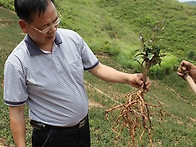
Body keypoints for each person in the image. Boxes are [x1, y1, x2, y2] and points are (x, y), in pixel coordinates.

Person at [3, 0, 151, 147]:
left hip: (82, 129)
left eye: (55, 21)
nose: (53, 29)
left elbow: (98, 68)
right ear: (24, 26)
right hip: (51, 137)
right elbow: (16, 112)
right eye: (45, 27)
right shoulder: (17, 63)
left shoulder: (72, 39)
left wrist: (128, 78)